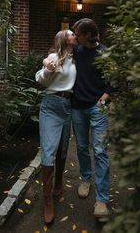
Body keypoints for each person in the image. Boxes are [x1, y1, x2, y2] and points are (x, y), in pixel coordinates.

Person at [35, 29, 77, 224]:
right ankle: (48, 200)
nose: (74, 35)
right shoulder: (53, 56)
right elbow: (40, 79)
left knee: (62, 149)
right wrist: (48, 68)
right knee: (49, 151)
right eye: (71, 33)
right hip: (51, 105)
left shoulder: (78, 57)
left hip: (68, 105)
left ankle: (58, 180)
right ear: (63, 39)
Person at [71, 18, 112, 218]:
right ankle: (86, 178)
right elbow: (58, 54)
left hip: (97, 107)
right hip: (77, 107)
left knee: (100, 151)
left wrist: (102, 101)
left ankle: (102, 200)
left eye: (77, 33)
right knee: (80, 146)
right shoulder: (77, 51)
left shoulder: (105, 54)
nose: (74, 36)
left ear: (88, 35)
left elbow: (114, 82)